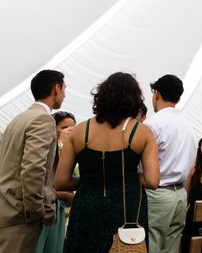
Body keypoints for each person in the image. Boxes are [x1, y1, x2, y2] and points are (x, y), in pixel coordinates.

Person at [55, 72, 159, 253]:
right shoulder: (142, 133)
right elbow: (152, 181)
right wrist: (129, 177)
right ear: (134, 98)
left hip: (86, 208)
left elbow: (60, 182)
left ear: (101, 96)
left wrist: (89, 179)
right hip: (127, 210)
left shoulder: (80, 131)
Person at [0, 70, 65, 253]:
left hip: (5, 208)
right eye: (64, 89)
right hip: (20, 216)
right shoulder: (43, 119)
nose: (65, 94)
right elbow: (33, 169)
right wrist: (37, 212)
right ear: (56, 88)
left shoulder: (18, 119)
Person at [144, 74, 198, 253]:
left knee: (151, 244)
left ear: (156, 93)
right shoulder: (188, 126)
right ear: (179, 97)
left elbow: (141, 168)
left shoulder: (152, 124)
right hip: (180, 195)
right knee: (171, 247)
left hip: (157, 194)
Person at [36, 111, 77, 253]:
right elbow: (40, 184)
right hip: (41, 209)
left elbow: (68, 191)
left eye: (73, 128)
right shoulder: (42, 149)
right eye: (65, 127)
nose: (70, 131)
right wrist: (59, 145)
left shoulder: (70, 154)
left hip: (58, 212)